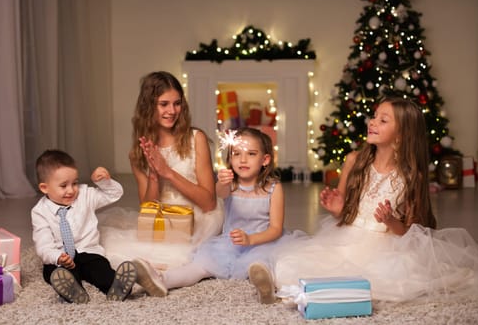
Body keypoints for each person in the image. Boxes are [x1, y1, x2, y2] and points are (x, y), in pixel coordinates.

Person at [273, 96, 478, 303]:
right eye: (374, 116)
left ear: (401, 135)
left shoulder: (411, 176)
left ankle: (332, 292)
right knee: (288, 266)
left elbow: (411, 232)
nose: (372, 122)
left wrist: (391, 221)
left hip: (386, 247)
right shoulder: (354, 160)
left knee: (390, 279)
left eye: (383, 120)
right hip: (346, 239)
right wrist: (337, 208)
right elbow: (344, 213)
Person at [132, 127, 304, 304]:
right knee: (201, 265)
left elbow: (275, 229)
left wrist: (251, 240)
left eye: (251, 154)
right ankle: (162, 280)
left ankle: (265, 289)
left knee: (262, 263)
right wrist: (222, 182)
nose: (243, 159)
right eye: (236, 154)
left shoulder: (273, 188)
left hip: (263, 242)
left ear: (265, 159)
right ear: (230, 158)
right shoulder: (230, 185)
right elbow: (219, 194)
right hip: (230, 244)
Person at [98, 71, 224, 270]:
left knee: (179, 256)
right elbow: (147, 207)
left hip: (196, 218)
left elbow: (209, 203)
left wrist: (169, 173)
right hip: (162, 221)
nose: (172, 111)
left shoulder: (195, 138)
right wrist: (155, 176)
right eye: (164, 104)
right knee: (114, 247)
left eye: (177, 103)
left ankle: (159, 275)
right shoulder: (138, 152)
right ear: (148, 107)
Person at [31, 149, 138, 303]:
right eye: (63, 185)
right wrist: (57, 257)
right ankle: (73, 290)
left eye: (74, 183)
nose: (71, 190)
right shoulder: (39, 212)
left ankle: (117, 287)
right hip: (60, 257)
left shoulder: (85, 195)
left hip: (88, 251)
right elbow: (43, 245)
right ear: (44, 188)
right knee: (54, 271)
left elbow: (113, 194)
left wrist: (103, 182)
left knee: (100, 269)